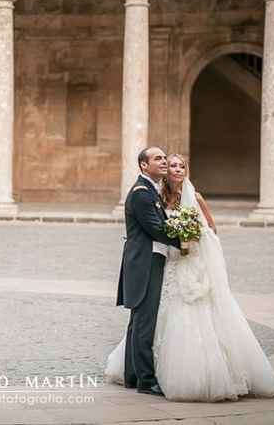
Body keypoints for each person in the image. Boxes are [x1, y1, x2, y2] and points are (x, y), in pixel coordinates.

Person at [106, 154, 274, 402]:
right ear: (163, 170)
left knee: (176, 314)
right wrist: (178, 239)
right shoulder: (154, 195)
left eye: (181, 165)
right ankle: (141, 374)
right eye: (171, 164)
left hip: (187, 263)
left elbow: (211, 231)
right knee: (150, 317)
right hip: (164, 263)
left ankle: (160, 375)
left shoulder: (195, 197)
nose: (176, 169)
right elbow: (155, 227)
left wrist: (191, 240)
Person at [113, 147, 181, 396]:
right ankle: (146, 380)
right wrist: (186, 241)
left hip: (146, 261)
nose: (163, 162)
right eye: (158, 159)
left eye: (164, 158)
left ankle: (132, 376)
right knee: (144, 324)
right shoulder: (142, 193)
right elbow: (156, 229)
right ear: (143, 165)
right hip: (145, 264)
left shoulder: (149, 189)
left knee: (137, 322)